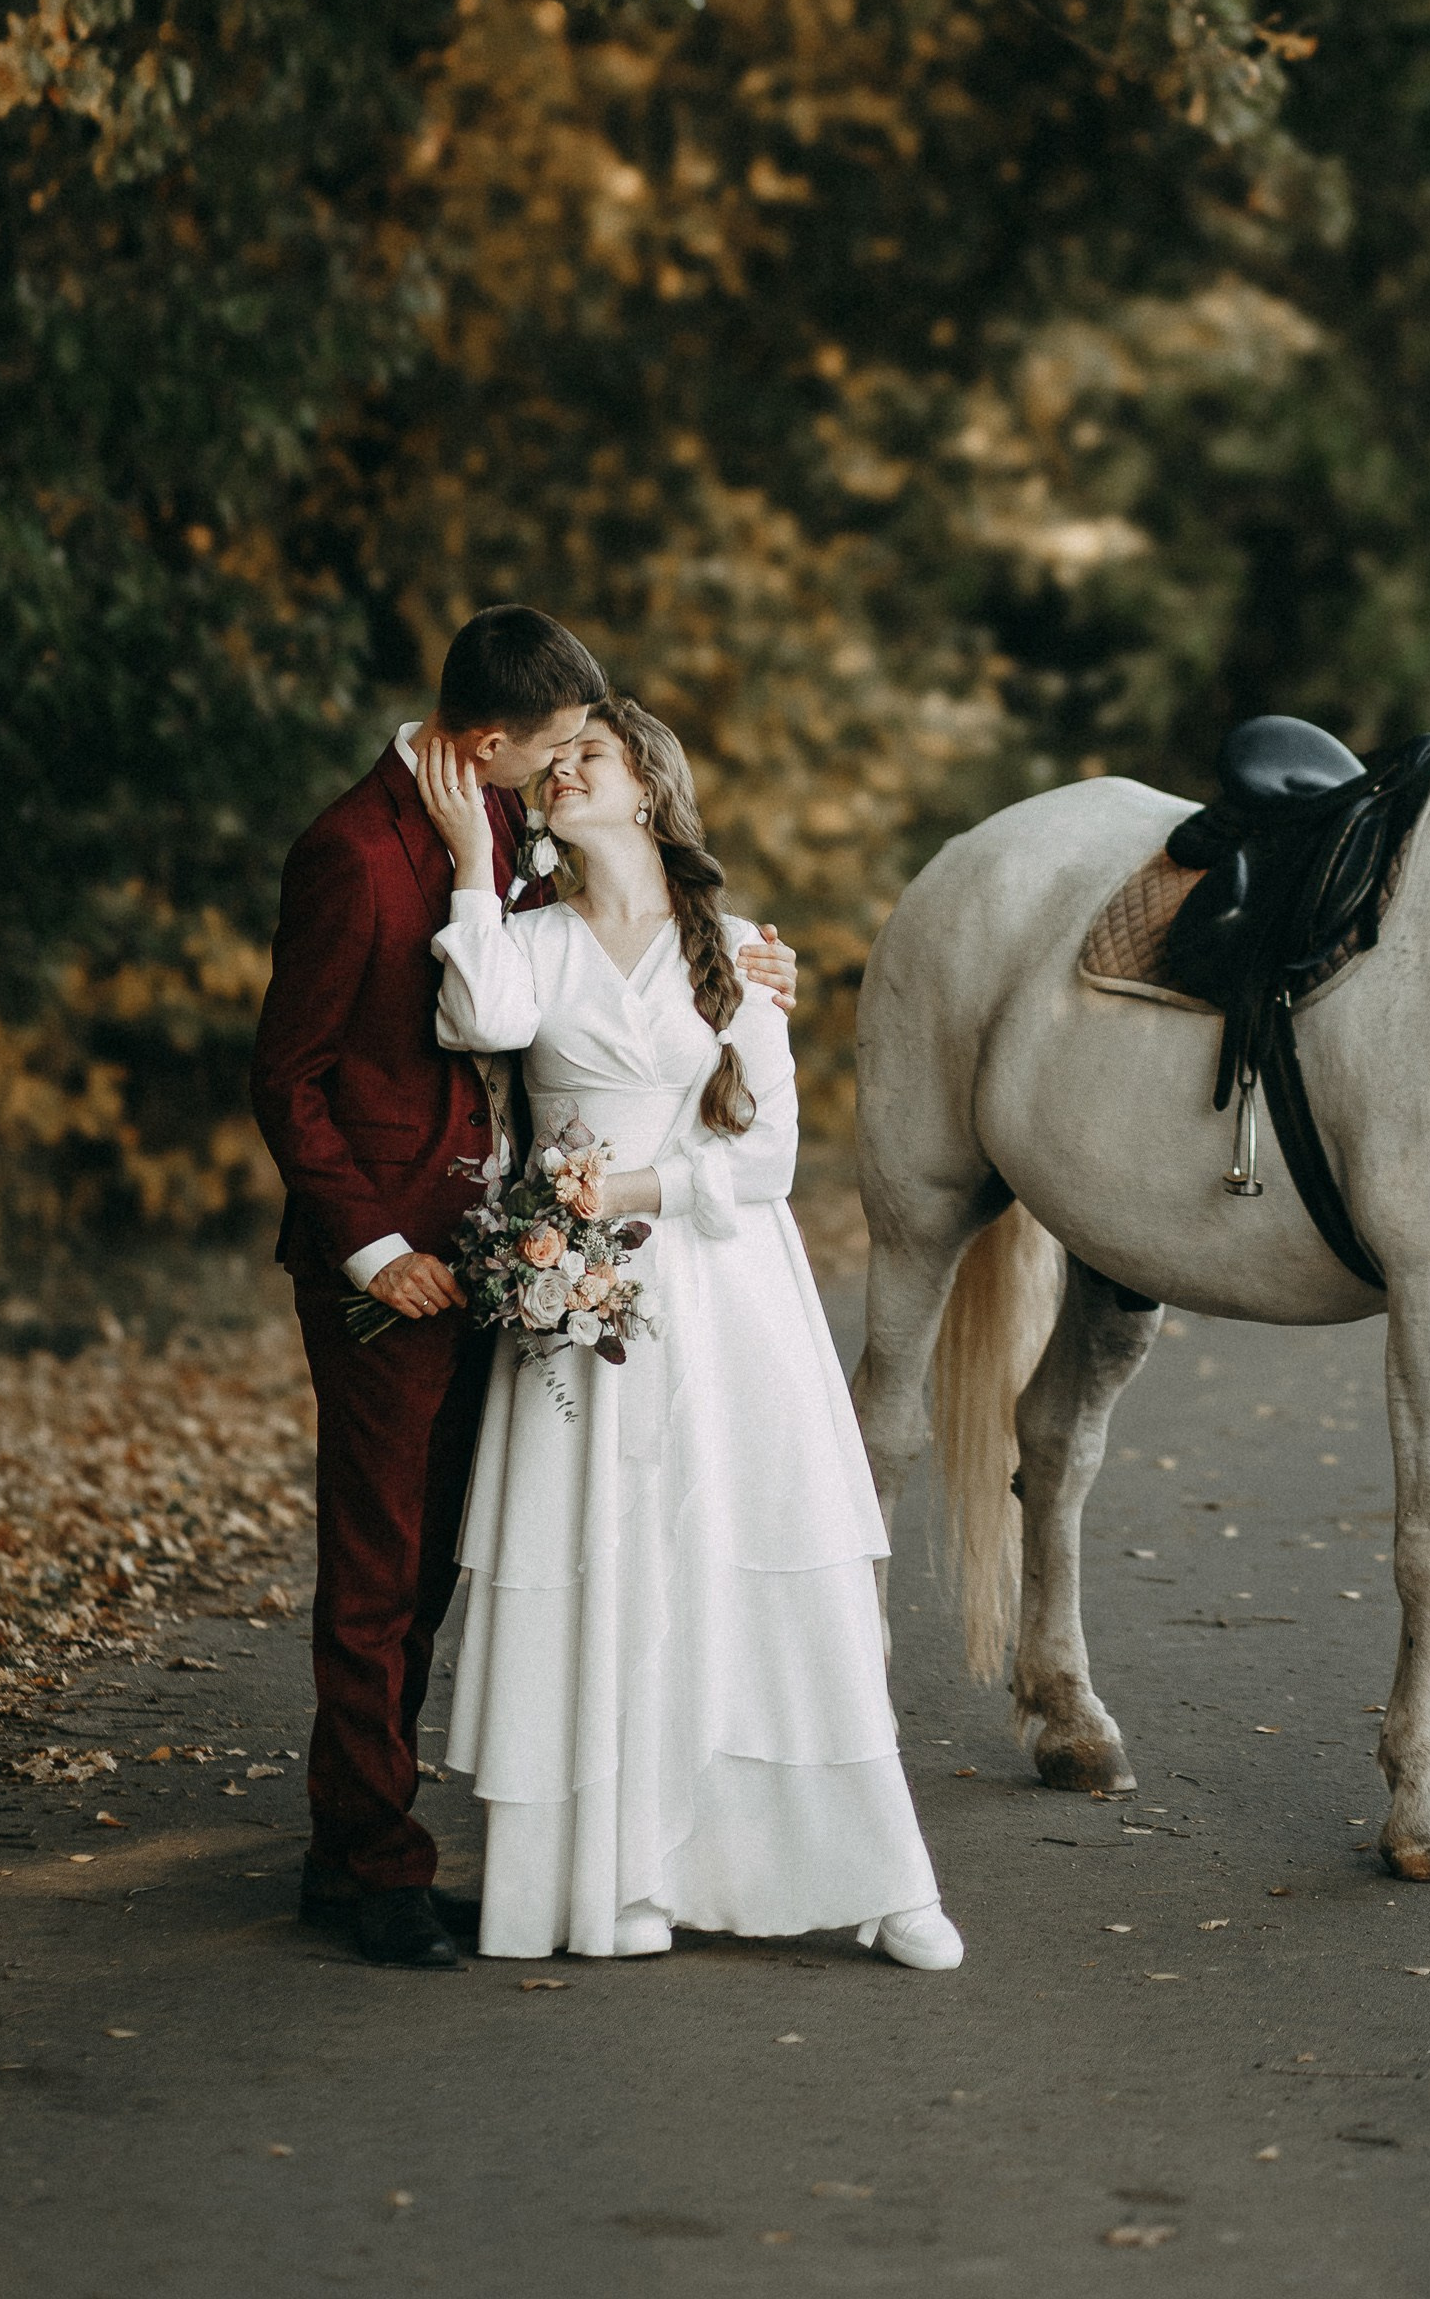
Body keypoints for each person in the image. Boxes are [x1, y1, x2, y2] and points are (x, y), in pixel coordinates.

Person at [249, 604, 796, 1968]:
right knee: (377, 1572)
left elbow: (589, 960)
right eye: (553, 750)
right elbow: (289, 1076)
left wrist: (742, 964)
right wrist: (373, 1249)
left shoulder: (506, 818)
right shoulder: (351, 850)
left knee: (444, 1560)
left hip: (512, 1256)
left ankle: (361, 1838)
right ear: (488, 738)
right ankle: (368, 1867)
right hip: (393, 1266)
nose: (566, 771)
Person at [425, 697, 962, 1970]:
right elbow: (478, 1019)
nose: (562, 772)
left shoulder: (735, 949)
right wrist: (470, 862)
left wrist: (618, 1190)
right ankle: (620, 1873)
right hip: (578, 1300)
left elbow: (767, 1157)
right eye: (553, 760)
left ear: (650, 791)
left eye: (588, 757)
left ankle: (876, 1873)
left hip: (721, 1290)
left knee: (756, 1566)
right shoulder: (531, 937)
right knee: (607, 1567)